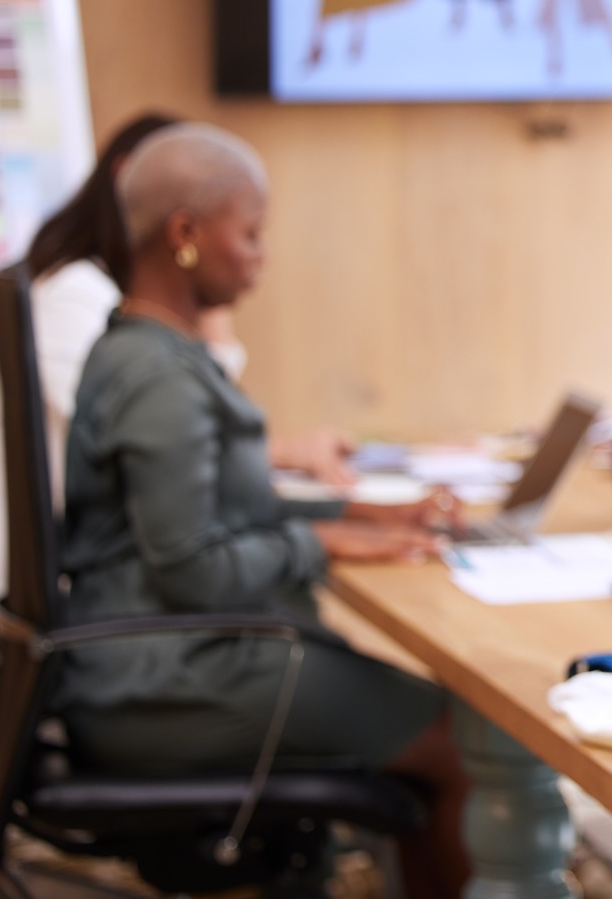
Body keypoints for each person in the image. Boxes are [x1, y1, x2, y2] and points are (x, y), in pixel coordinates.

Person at [53, 124, 470, 897]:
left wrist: (356, 517)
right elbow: (190, 567)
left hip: (165, 656)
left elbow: (218, 507)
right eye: (248, 233)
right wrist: (322, 541)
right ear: (185, 233)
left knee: (431, 722)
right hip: (170, 677)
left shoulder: (150, 353)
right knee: (461, 743)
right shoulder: (161, 380)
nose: (259, 257)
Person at [0, 113, 357, 616]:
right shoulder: (79, 300)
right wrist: (207, 308)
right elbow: (178, 428)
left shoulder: (110, 305)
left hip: (95, 582)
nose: (257, 254)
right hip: (39, 600)